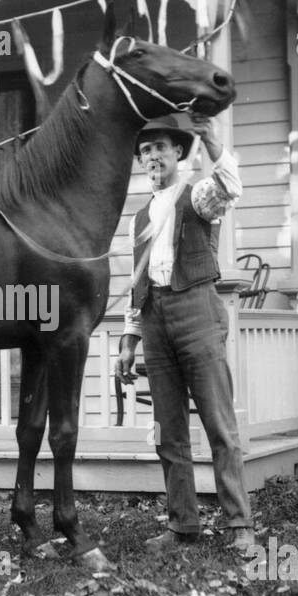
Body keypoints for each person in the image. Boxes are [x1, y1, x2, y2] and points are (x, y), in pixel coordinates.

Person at [117, 111, 254, 552]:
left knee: (219, 424)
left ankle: (239, 528)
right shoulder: (139, 219)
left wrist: (213, 140)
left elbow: (231, 187)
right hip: (155, 322)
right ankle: (182, 527)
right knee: (169, 431)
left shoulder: (196, 196)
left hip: (197, 311)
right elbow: (138, 281)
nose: (152, 156)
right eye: (145, 151)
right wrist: (128, 341)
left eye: (160, 147)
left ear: (178, 151)